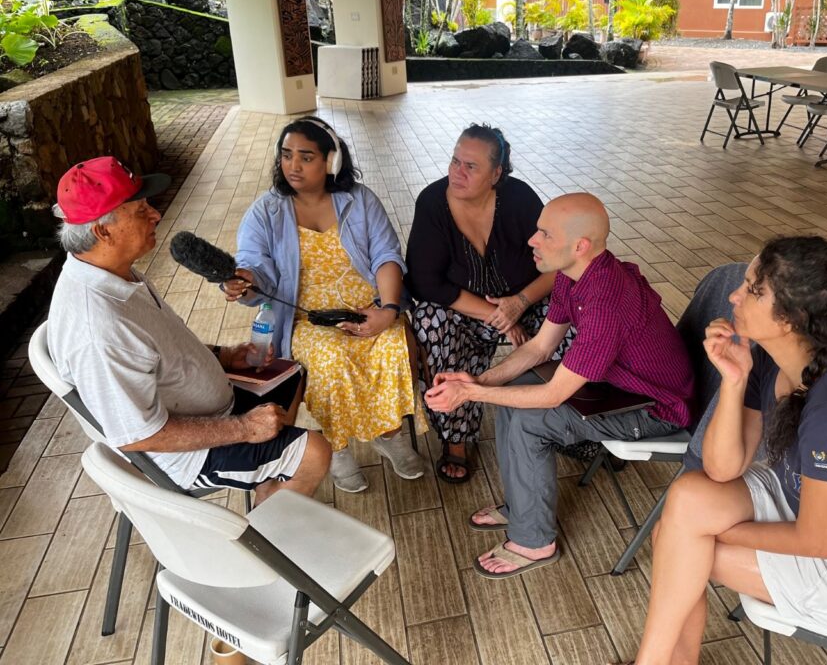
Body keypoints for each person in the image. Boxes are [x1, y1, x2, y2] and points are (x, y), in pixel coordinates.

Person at [621, 236, 827, 665]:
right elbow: (721, 468)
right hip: (802, 503)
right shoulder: (775, 356)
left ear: (790, 318)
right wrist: (733, 382)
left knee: (680, 542)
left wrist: (709, 531)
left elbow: (817, 541)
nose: (734, 293)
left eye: (753, 289)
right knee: (687, 504)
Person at [425, 193, 695, 578]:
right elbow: (539, 347)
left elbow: (553, 395)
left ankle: (534, 541)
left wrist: (471, 394)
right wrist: (479, 381)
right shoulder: (574, 275)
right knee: (513, 390)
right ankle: (522, 505)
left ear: (579, 246)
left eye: (544, 234)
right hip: (619, 385)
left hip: (654, 408)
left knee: (530, 420)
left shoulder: (607, 300)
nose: (532, 241)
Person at [47, 156, 330, 504]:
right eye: (140, 211)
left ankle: (268, 486)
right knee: (315, 453)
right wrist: (245, 428)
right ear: (102, 231)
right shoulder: (98, 327)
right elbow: (139, 435)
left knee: (289, 372)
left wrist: (224, 356)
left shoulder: (113, 270)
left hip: (209, 405)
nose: (156, 215)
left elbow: (159, 350)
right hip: (180, 455)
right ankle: (263, 541)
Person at [223, 116, 424, 494]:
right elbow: (255, 266)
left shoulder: (359, 200)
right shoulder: (266, 212)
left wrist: (388, 309)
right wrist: (245, 282)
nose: (293, 166)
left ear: (331, 160)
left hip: (367, 303)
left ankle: (389, 433)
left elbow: (386, 255)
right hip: (305, 318)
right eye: (286, 155)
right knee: (332, 358)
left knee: (395, 344)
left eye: (306, 157)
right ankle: (339, 444)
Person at [406, 123, 573, 484]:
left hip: (526, 300)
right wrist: (501, 315)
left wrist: (521, 302)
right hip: (464, 309)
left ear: (497, 173)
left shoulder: (519, 199)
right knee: (429, 320)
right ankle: (457, 437)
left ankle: (571, 420)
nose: (456, 171)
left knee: (576, 313)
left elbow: (560, 264)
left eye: (471, 166)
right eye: (454, 160)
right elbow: (425, 280)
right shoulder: (433, 203)